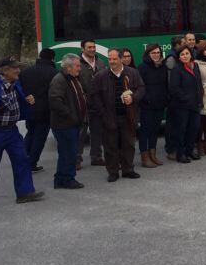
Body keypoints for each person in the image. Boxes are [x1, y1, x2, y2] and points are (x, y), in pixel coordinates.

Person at [0, 57, 44, 210]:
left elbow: (19, 101)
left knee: (22, 160)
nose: (18, 71)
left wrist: (28, 101)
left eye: (18, 67)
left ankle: (25, 193)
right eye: (15, 68)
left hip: (12, 131)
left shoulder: (15, 84)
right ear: (4, 71)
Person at [90, 48, 145, 182]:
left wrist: (133, 97)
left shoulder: (132, 73)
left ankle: (128, 169)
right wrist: (102, 113)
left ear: (121, 59)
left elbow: (141, 88)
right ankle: (113, 172)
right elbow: (94, 96)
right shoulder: (100, 76)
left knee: (129, 144)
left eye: (114, 59)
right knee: (110, 146)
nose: (112, 61)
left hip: (128, 116)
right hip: (109, 117)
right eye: (110, 59)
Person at [48, 54, 87, 189]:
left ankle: (60, 178)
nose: (79, 68)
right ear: (68, 67)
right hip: (64, 125)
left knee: (67, 152)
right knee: (69, 153)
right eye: (77, 66)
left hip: (72, 123)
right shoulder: (59, 80)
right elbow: (55, 102)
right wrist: (71, 116)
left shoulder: (72, 79)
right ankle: (68, 179)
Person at [19, 48, 58, 173]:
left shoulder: (26, 71)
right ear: (52, 58)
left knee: (30, 133)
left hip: (29, 108)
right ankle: (32, 162)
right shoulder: (53, 72)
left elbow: (20, 89)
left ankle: (21, 159)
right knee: (40, 137)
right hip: (45, 110)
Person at [168, 46, 204, 163]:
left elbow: (199, 83)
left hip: (195, 104)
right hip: (182, 106)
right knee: (181, 130)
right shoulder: (176, 69)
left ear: (191, 54)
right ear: (179, 57)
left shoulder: (195, 66)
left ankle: (190, 151)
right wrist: (186, 98)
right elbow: (174, 88)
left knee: (193, 129)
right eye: (182, 54)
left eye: (187, 53)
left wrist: (200, 99)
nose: (185, 56)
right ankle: (181, 154)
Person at [137, 43, 169, 168]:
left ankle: (153, 155)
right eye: (153, 53)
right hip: (147, 105)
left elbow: (166, 84)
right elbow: (140, 87)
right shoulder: (142, 67)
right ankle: (145, 158)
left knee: (155, 130)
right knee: (145, 131)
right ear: (148, 54)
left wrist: (166, 98)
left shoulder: (162, 67)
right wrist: (147, 100)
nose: (156, 55)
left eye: (158, 53)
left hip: (160, 104)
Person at [78, 39, 106, 169]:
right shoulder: (77, 63)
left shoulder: (100, 62)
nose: (92, 49)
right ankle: (76, 159)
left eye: (94, 47)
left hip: (97, 103)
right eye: (89, 47)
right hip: (82, 104)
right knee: (80, 133)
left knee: (97, 132)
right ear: (82, 48)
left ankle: (96, 157)